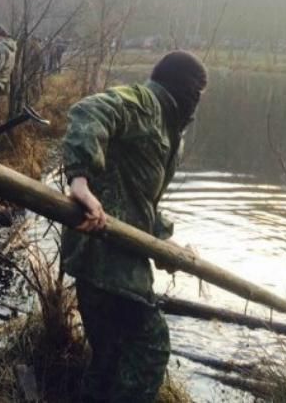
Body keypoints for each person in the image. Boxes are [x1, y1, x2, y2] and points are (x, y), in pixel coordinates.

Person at [62, 51, 208, 403]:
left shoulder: (167, 126)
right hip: (107, 258)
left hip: (114, 257)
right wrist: (79, 178)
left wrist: (166, 246)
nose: (198, 104)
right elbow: (89, 110)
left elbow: (139, 200)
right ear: (186, 89)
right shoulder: (145, 104)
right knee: (150, 348)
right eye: (198, 93)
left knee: (108, 359)